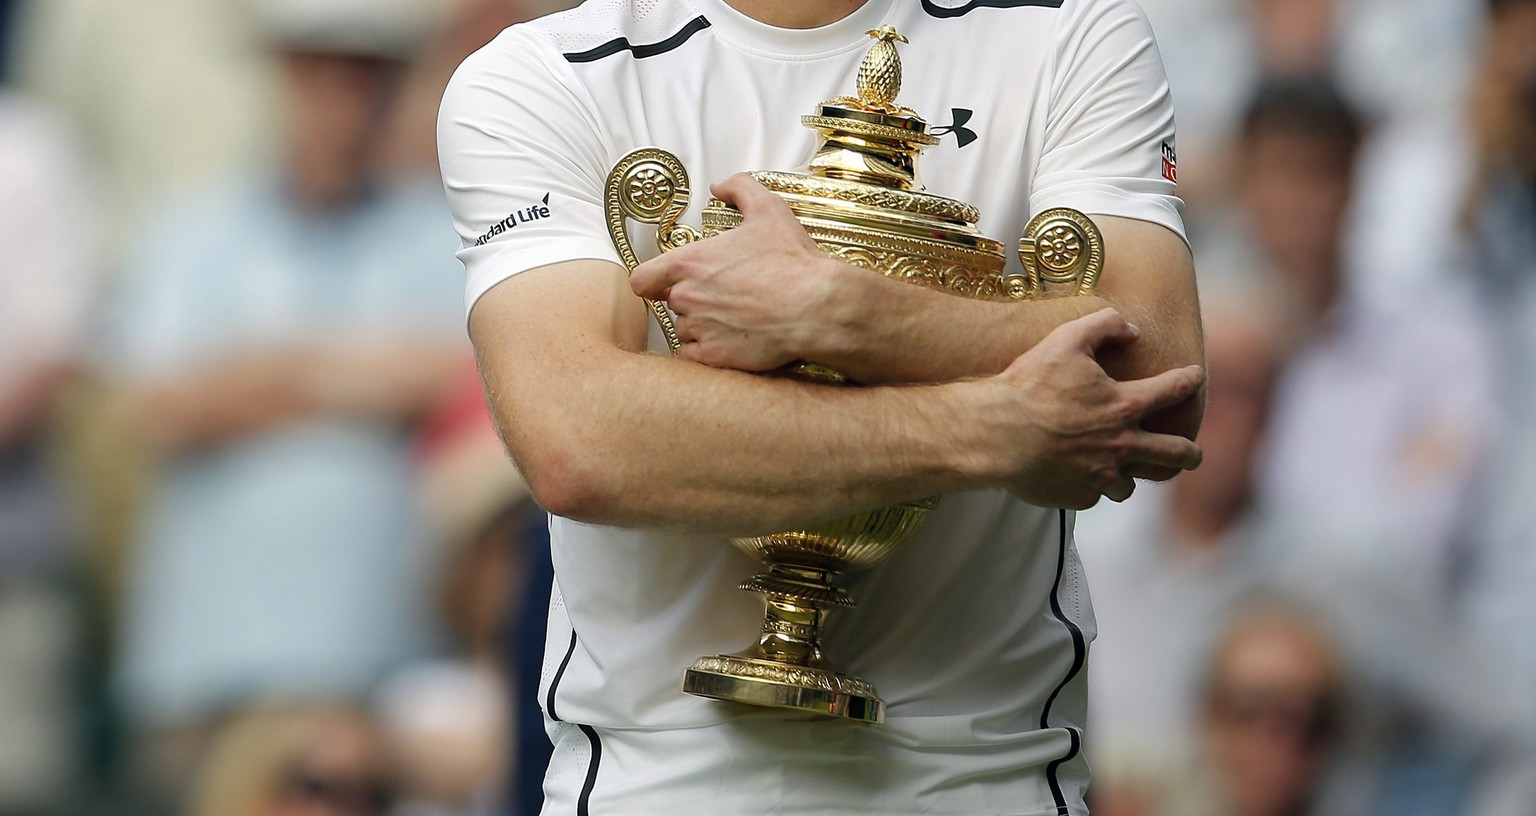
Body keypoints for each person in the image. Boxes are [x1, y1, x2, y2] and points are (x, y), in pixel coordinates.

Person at [439, 0, 1206, 813]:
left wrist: (841, 312)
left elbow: (1156, 380)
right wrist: (985, 427)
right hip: (656, 787)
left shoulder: (1072, 29)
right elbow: (576, 441)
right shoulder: (543, 72)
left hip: (984, 782)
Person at [107, 0, 467, 801]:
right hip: (206, 664)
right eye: (319, 68)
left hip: (383, 657)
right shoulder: (189, 232)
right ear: (281, 75)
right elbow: (163, 407)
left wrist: (267, 368)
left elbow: (457, 385)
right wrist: (362, 372)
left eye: (365, 71)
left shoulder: (443, 233)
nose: (341, 94)